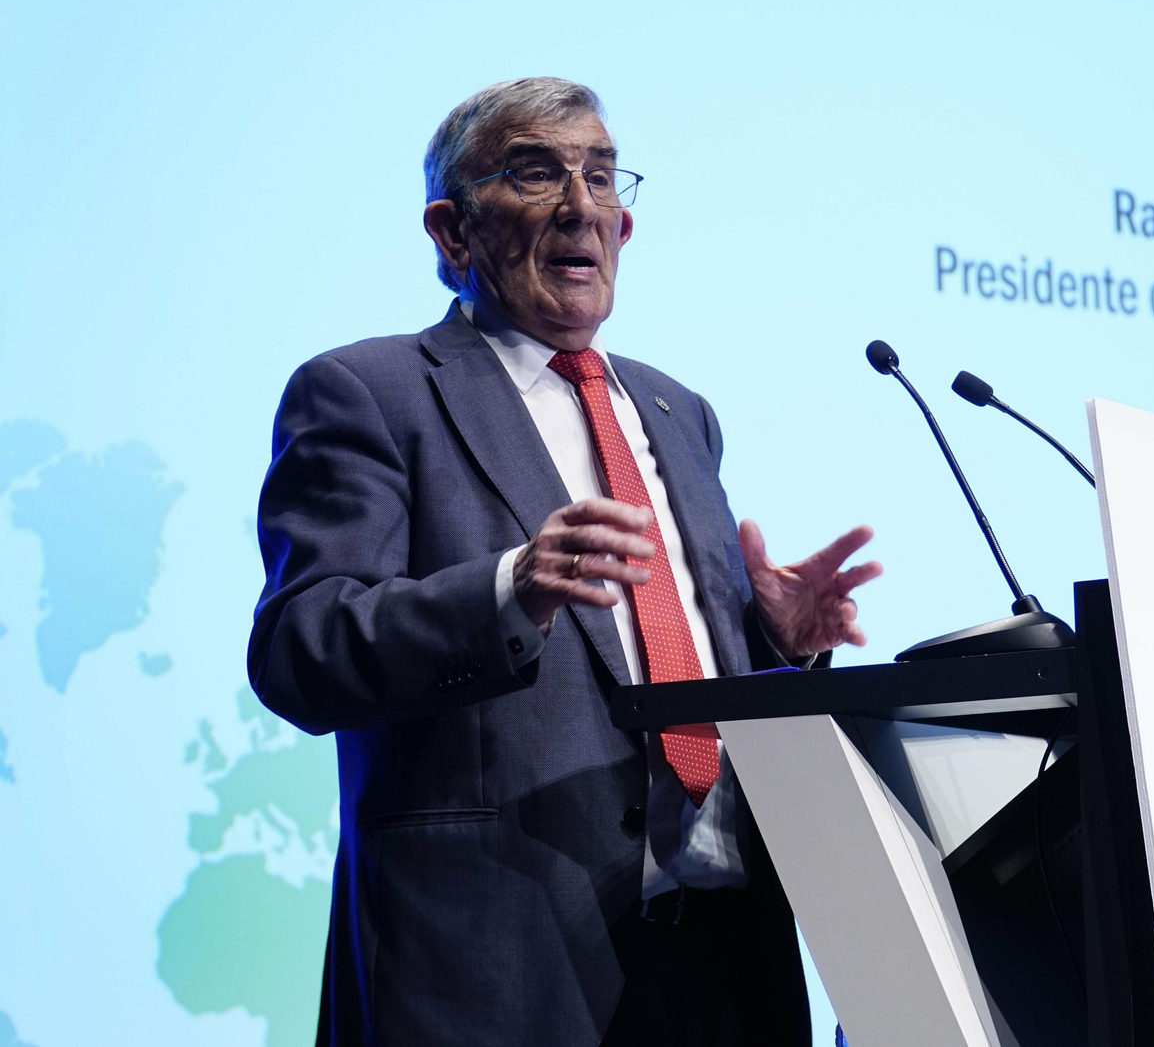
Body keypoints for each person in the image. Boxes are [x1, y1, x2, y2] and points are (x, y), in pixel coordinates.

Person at [248, 77, 881, 1047]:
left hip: (721, 956)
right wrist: (510, 588)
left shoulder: (681, 413)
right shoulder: (368, 393)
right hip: (500, 960)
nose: (583, 205)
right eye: (537, 173)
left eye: (599, 175)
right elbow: (302, 647)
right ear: (452, 233)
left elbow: (670, 662)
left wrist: (773, 644)